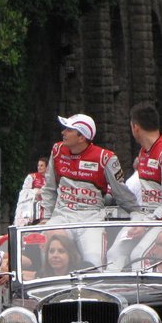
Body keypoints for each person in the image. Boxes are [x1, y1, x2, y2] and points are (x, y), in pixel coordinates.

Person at [39, 113, 139, 265]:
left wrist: (139, 215)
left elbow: (121, 193)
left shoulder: (106, 158)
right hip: (62, 215)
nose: (63, 133)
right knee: (47, 244)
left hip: (91, 218)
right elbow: (49, 188)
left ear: (81, 137)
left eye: (68, 130)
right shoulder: (57, 150)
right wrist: (46, 217)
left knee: (94, 262)